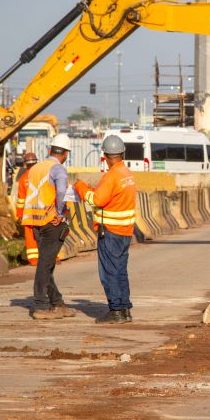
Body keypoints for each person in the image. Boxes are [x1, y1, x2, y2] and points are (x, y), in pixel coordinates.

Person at [75, 135, 137, 324]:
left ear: (106, 155)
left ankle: (116, 311)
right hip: (125, 231)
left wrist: (81, 187)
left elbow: (97, 200)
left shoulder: (111, 176)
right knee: (120, 271)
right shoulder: (127, 174)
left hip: (111, 232)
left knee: (109, 272)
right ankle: (125, 309)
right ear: (122, 153)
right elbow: (109, 197)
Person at [22, 134, 76, 320]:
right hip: (50, 221)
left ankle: (57, 303)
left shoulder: (36, 168)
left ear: (50, 150)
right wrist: (60, 214)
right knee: (45, 264)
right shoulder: (58, 169)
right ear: (66, 153)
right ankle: (41, 305)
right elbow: (61, 191)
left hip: (35, 221)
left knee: (47, 264)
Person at [15, 152, 40, 266]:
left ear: (25, 164)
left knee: (30, 237)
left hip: (29, 214)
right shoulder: (42, 176)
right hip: (43, 212)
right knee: (47, 236)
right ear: (36, 162)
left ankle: (34, 260)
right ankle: (53, 258)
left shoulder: (23, 179)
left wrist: (19, 215)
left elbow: (21, 200)